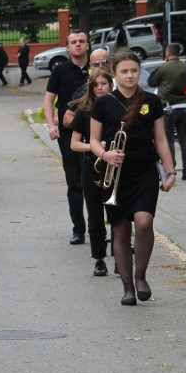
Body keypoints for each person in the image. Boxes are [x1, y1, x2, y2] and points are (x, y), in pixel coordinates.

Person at [90, 49, 176, 306]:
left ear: (140, 72)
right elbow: (93, 140)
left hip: (144, 172)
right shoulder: (103, 102)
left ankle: (141, 277)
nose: (130, 75)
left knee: (143, 222)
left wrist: (171, 171)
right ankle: (127, 288)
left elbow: (160, 139)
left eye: (134, 70)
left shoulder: (151, 100)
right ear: (114, 74)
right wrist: (105, 154)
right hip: (114, 174)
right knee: (119, 229)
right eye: (124, 71)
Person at [44, 30, 90, 245]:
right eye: (74, 42)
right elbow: (48, 100)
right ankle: (78, 228)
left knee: (95, 181)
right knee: (74, 182)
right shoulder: (60, 70)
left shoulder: (96, 70)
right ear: (68, 47)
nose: (78, 45)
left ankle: (99, 225)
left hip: (95, 134)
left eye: (82, 41)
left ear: (88, 45)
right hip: (68, 133)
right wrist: (51, 125)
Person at [69, 70, 113, 276]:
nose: (100, 87)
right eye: (96, 85)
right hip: (92, 167)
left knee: (117, 214)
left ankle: (120, 254)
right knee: (95, 216)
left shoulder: (119, 110)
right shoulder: (84, 112)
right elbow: (74, 144)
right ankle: (99, 259)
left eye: (104, 83)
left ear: (111, 85)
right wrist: (95, 147)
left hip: (116, 167)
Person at [147, 43, 186, 181]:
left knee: (168, 141)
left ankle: (171, 170)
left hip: (167, 107)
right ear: (178, 53)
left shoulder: (162, 67)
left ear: (167, 54)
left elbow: (151, 82)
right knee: (184, 140)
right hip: (183, 107)